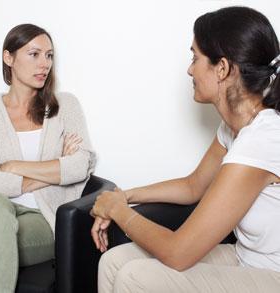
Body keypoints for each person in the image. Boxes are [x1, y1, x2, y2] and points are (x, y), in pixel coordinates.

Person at [91, 6, 280, 293]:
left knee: (135, 277)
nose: (190, 69)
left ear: (222, 68)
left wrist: (119, 212)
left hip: (272, 275)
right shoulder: (234, 129)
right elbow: (194, 186)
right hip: (246, 259)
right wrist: (124, 196)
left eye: (195, 57)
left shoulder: (261, 139)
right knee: (115, 261)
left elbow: (179, 253)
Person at [0, 24, 95, 292]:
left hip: (42, 219)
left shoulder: (65, 105)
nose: (44, 64)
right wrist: (56, 166)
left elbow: (81, 165)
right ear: (8, 58)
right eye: (34, 54)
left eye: (49, 56)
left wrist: (13, 167)